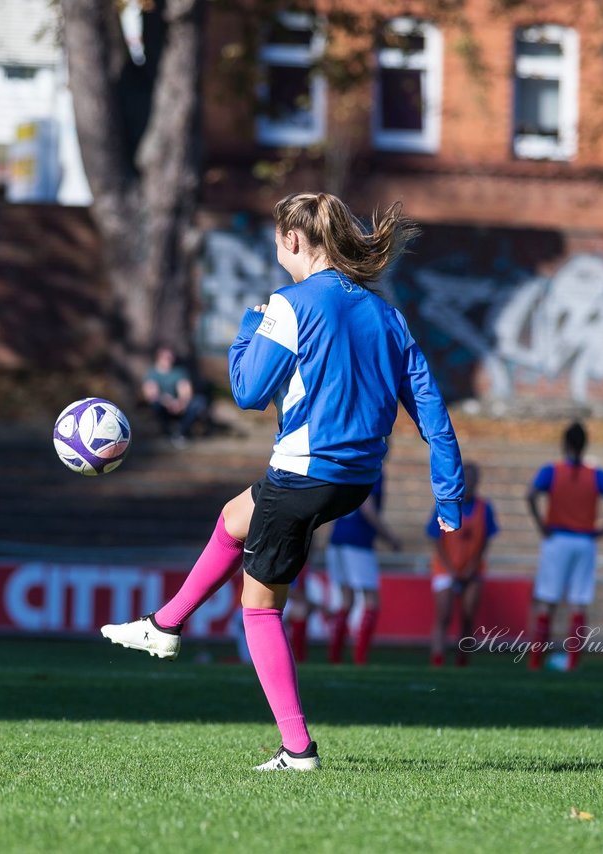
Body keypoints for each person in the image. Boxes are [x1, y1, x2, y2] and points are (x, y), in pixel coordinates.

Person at [101, 191, 464, 771]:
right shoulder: (385, 312)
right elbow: (431, 410)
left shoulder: (288, 304)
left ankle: (298, 750)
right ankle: (165, 624)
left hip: (304, 472)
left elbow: (246, 392)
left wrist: (249, 326)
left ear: (293, 241)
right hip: (354, 478)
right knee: (233, 516)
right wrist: (449, 494)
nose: (277, 251)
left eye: (277, 241)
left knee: (260, 607)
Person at [526, 422, 603, 671]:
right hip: (585, 541)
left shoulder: (552, 471)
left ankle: (536, 660)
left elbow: (530, 494)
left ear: (564, 443)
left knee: (547, 600)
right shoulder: (595, 474)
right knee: (578, 602)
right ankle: (572, 662)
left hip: (557, 539)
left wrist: (540, 523)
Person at [325, 472, 402, 666]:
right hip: (358, 542)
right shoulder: (373, 468)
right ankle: (360, 657)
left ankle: (335, 656)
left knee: (346, 599)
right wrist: (390, 537)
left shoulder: (349, 464)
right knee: (371, 600)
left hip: (337, 538)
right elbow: (368, 509)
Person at [428, 462, 497, 667]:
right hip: (445, 569)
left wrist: (471, 567)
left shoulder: (485, 508)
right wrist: (450, 568)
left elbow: (485, 541)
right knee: (444, 614)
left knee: (468, 615)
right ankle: (438, 660)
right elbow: (436, 539)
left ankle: (462, 660)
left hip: (472, 571)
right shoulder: (445, 504)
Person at [142, 347, 210, 446]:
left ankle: (181, 433)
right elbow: (151, 394)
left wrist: (180, 402)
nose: (168, 360)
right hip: (162, 405)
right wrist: (166, 401)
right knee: (155, 404)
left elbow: (186, 391)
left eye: (170, 357)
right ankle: (167, 433)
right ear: (158, 358)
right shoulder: (152, 373)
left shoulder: (179, 372)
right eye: (165, 357)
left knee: (199, 402)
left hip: (179, 405)